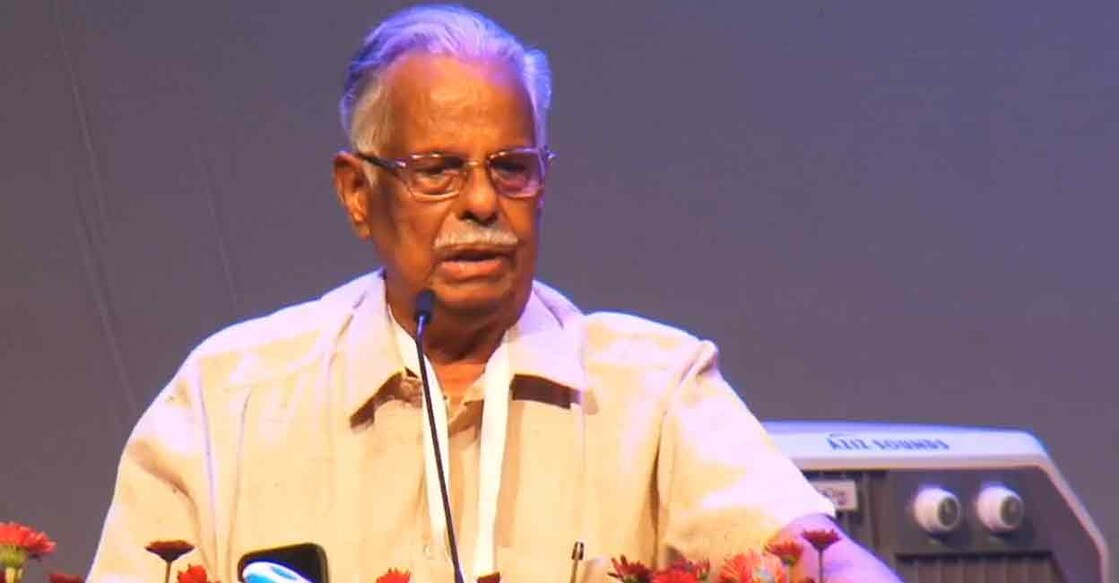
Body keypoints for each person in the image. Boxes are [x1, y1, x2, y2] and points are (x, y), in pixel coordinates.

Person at [90, 5, 900, 582]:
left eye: (509, 166)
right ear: (356, 192)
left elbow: (815, 554)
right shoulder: (229, 397)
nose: (481, 202)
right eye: (438, 170)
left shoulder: (651, 391)